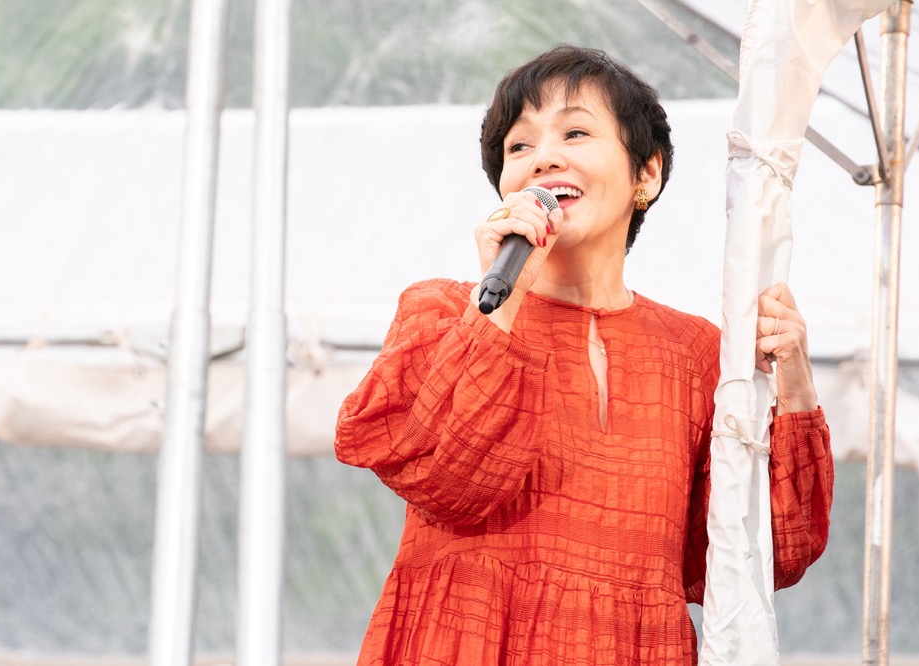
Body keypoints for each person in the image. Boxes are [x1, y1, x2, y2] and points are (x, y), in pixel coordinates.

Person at [334, 44, 833, 665]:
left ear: (646, 174)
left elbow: (766, 553)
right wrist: (500, 300)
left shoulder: (697, 354)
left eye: (574, 132)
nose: (544, 157)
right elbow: (450, 481)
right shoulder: (439, 312)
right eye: (520, 146)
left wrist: (795, 386)